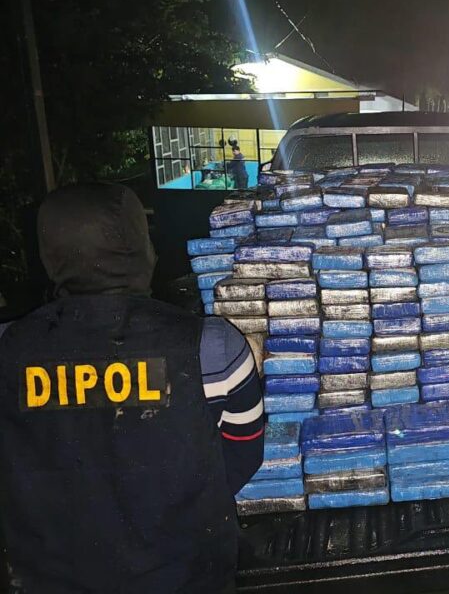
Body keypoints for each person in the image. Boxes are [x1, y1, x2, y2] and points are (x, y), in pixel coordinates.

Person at [0, 183, 264, 592]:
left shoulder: (8, 350)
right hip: (184, 577)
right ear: (141, 248)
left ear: (50, 254)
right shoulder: (213, 347)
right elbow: (242, 455)